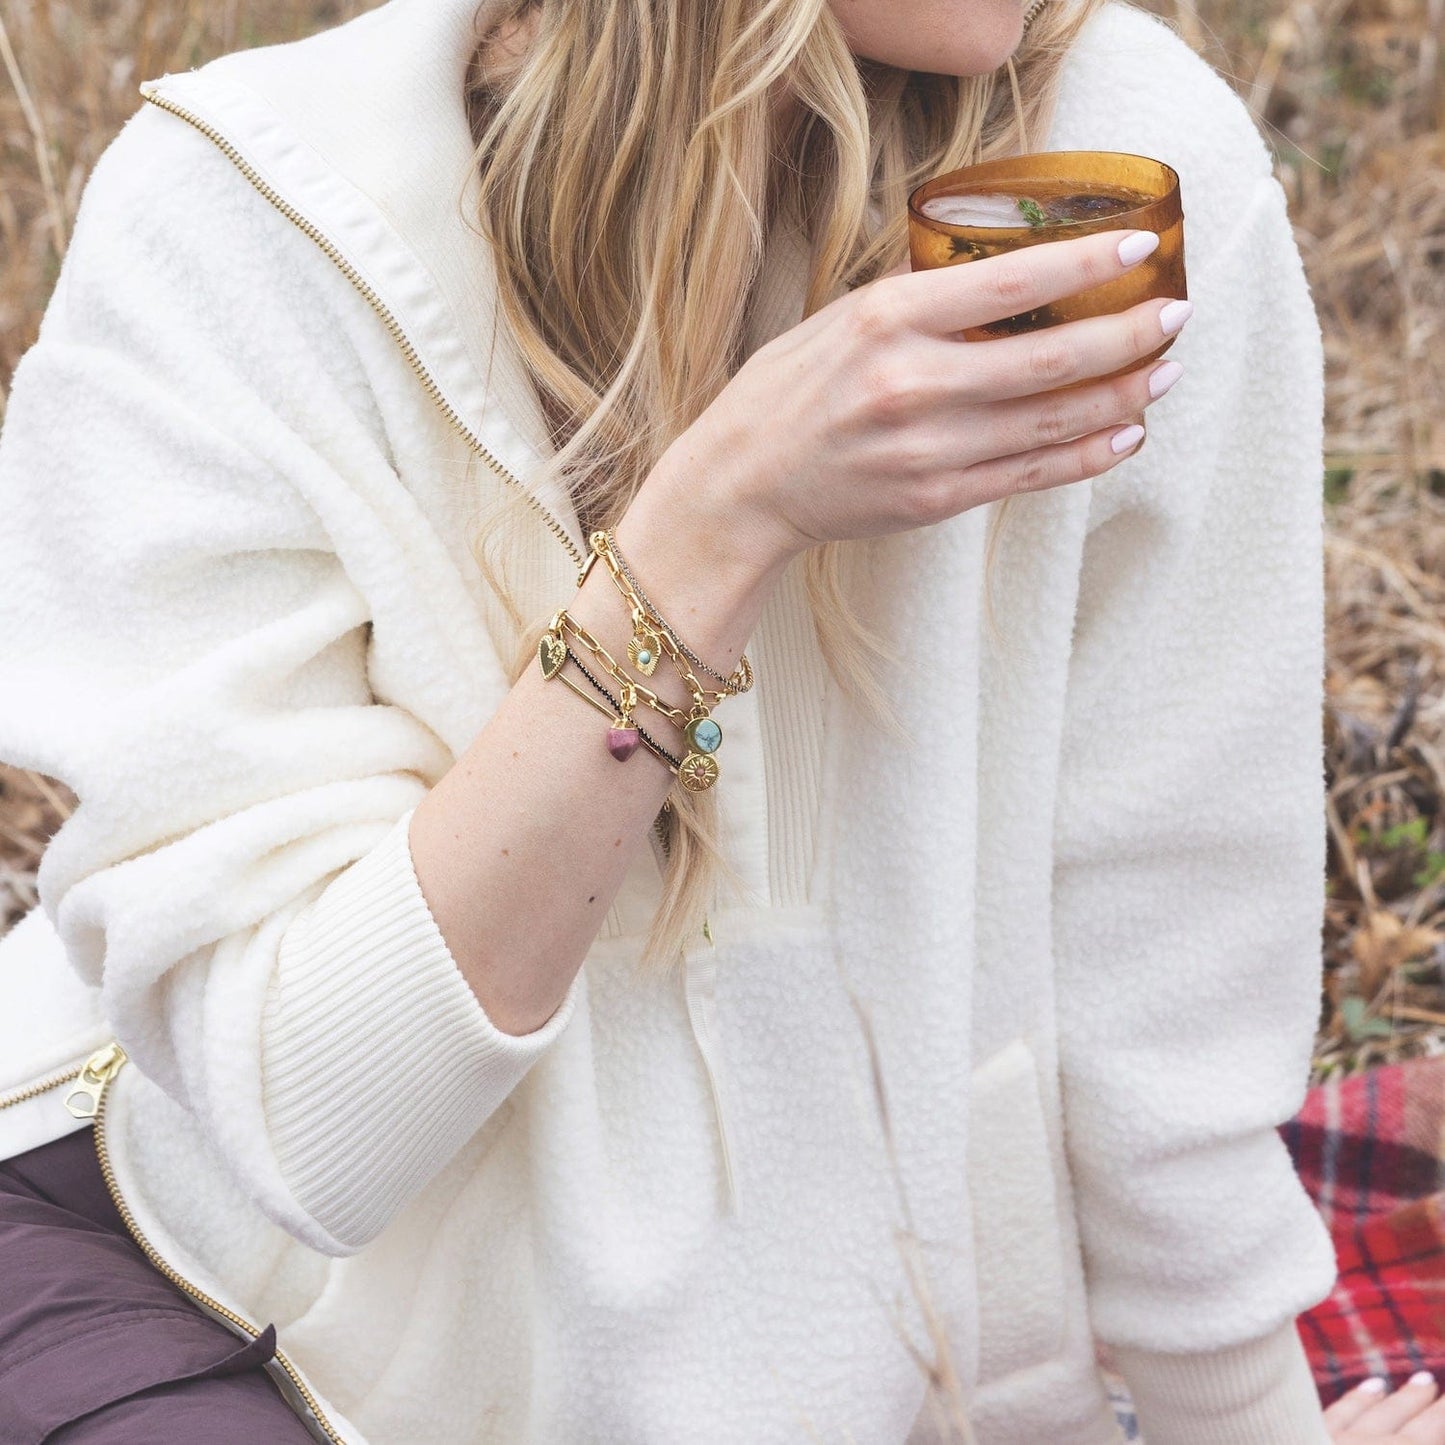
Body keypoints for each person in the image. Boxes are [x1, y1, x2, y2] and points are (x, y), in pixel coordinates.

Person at [1, 0, 1439, 1440]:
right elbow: (314, 1124)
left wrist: (1247, 1419)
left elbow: (1163, 924)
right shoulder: (245, 216)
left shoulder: (1114, 168)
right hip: (218, 1291)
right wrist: (715, 522)